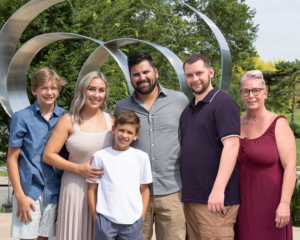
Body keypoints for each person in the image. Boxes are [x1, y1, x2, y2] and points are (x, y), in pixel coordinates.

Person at [114, 52, 189, 240]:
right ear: (130, 77)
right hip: (135, 194)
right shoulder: (121, 107)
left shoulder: (179, 101)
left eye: (146, 72)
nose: (142, 78)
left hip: (172, 192)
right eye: (136, 74)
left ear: (155, 72)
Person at [42, 71, 115, 240]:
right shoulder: (69, 120)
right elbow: (48, 155)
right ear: (83, 90)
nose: (96, 95)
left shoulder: (112, 120)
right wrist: (78, 169)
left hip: (105, 190)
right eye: (92, 89)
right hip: (75, 188)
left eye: (101, 90)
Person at [180, 54, 241, 240]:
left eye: (199, 73)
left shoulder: (223, 103)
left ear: (211, 72)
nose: (195, 79)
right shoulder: (188, 109)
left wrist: (218, 190)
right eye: (189, 75)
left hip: (215, 199)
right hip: (192, 198)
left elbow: (231, 146)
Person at [7, 67, 68, 240]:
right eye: (44, 88)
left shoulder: (66, 117)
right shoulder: (22, 117)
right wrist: (20, 196)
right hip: (29, 191)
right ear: (34, 90)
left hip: (55, 191)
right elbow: (12, 159)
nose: (49, 92)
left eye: (54, 88)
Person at [235, 70, 296, 240]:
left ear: (265, 93)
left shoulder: (279, 123)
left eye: (256, 90)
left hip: (272, 207)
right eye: (246, 91)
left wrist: (284, 204)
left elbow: (290, 167)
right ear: (241, 94)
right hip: (241, 206)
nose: (251, 96)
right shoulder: (235, 123)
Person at [87, 110, 153, 240]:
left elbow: (145, 190)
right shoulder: (100, 156)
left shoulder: (141, 157)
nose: (124, 135)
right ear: (113, 130)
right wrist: (96, 217)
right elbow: (92, 189)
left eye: (130, 132)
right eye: (121, 130)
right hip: (105, 219)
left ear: (136, 135)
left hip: (133, 220)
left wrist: (141, 216)